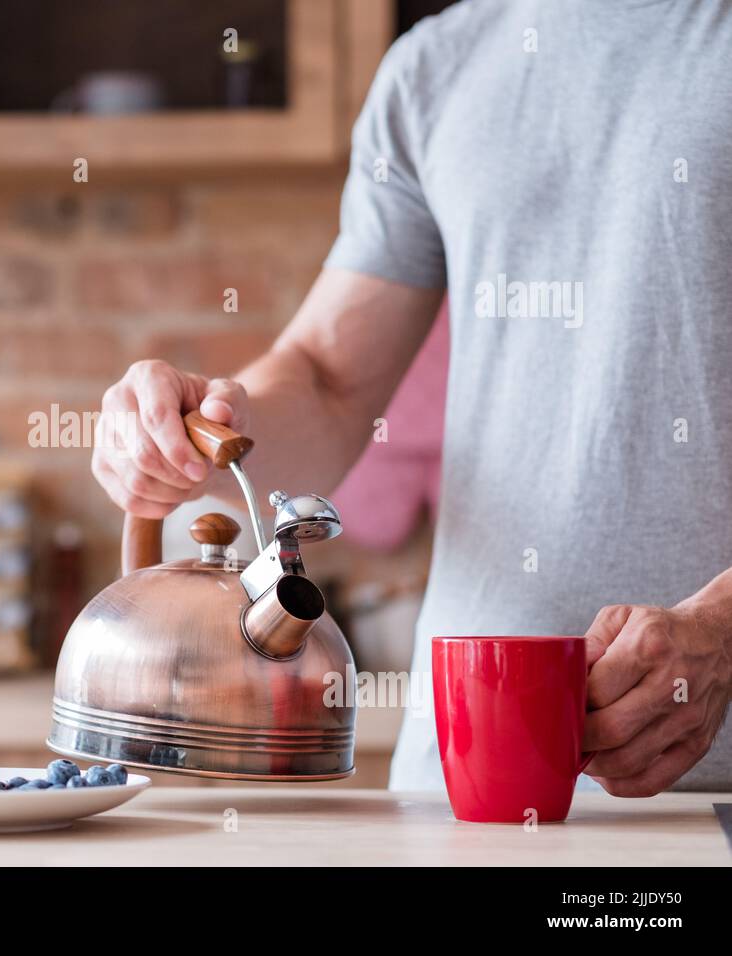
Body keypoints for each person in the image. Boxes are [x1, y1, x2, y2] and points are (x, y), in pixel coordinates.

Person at [90, 0, 732, 795]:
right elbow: (328, 378)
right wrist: (209, 428)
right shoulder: (436, 67)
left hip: (715, 796)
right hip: (462, 785)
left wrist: (725, 629)